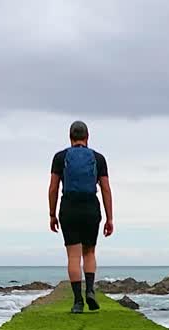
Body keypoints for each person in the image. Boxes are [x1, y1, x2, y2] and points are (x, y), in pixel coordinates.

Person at [49, 120, 113, 313]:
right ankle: (91, 290)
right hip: (90, 208)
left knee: (73, 256)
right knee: (89, 252)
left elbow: (53, 188)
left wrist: (52, 214)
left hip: (69, 207)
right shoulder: (98, 158)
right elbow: (106, 190)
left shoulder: (60, 157)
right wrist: (110, 218)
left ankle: (78, 302)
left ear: (70, 138)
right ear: (87, 137)